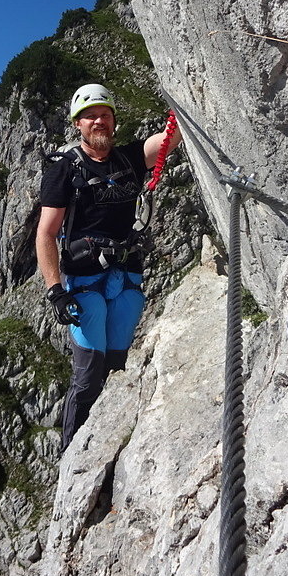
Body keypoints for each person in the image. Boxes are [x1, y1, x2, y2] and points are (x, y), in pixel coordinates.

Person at [36, 83, 182, 450]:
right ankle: (73, 457)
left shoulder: (129, 158)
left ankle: (108, 446)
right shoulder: (64, 170)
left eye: (104, 115)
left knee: (115, 369)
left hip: (127, 278)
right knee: (87, 378)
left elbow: (171, 137)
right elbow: (46, 234)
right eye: (90, 117)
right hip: (84, 284)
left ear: (114, 121)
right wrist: (55, 289)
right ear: (77, 125)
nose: (98, 121)